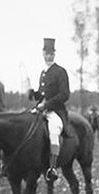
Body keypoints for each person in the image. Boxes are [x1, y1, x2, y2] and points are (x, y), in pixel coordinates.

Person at [33, 38, 70, 181]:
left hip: (55, 110)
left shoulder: (60, 72)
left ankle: (52, 168)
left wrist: (47, 105)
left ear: (54, 54)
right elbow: (42, 94)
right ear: (42, 54)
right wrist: (34, 94)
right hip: (41, 108)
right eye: (47, 54)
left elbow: (64, 94)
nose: (49, 56)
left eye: (51, 54)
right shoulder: (43, 72)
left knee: (54, 131)